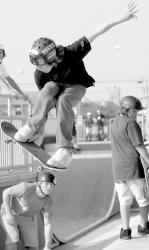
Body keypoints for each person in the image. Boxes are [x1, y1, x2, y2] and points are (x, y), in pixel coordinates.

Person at [14, 1, 139, 168]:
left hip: (77, 86)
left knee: (63, 101)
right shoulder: (39, 74)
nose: (38, 69)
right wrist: (39, 131)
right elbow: (43, 106)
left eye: (41, 65)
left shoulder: (70, 52)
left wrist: (120, 19)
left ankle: (65, 150)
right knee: (49, 89)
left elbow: (95, 33)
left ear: (51, 58)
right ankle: (30, 128)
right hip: (55, 88)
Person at [110, 96, 149, 240]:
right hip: (133, 168)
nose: (136, 113)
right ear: (127, 110)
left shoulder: (113, 124)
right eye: (135, 111)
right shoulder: (131, 123)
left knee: (124, 201)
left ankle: (125, 230)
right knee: (144, 200)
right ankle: (143, 227)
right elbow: (139, 145)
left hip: (118, 170)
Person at [0, 171, 56, 250]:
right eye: (47, 184)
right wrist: (9, 213)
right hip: (9, 213)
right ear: (39, 183)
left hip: (26, 217)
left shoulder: (48, 200)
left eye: (52, 185)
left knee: (34, 244)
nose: (49, 187)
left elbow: (48, 224)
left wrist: (47, 246)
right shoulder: (25, 187)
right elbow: (6, 192)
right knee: (13, 240)